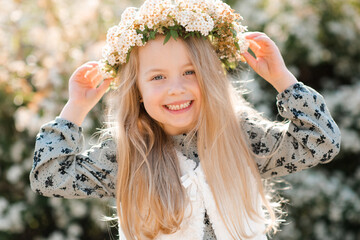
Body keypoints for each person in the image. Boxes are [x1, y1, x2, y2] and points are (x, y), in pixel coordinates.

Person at [30, 0, 341, 239]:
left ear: (210, 76)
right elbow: (49, 176)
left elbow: (320, 143)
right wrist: (76, 107)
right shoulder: (128, 154)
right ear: (137, 90)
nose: (176, 89)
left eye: (189, 72)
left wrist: (282, 79)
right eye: (158, 77)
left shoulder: (240, 136)